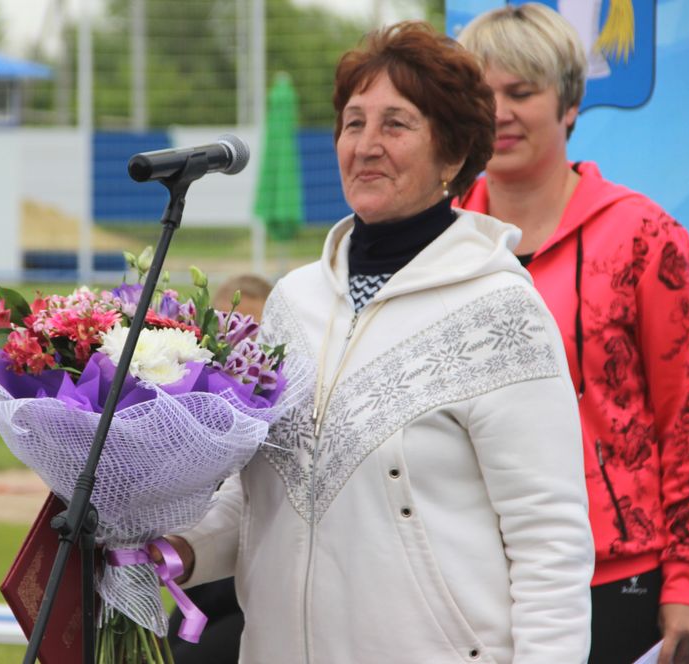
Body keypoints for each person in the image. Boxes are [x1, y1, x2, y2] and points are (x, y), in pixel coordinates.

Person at [157, 20, 594, 663]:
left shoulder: (501, 311)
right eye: (353, 122)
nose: (366, 145)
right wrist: (176, 548)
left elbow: (549, 540)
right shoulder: (291, 303)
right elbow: (261, 501)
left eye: (396, 124)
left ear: (453, 154)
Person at [455, 5, 689, 664]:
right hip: (468, 567)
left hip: (615, 575)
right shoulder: (441, 239)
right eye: (482, 96)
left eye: (521, 92)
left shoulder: (644, 236)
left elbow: (687, 420)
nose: (499, 112)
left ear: (571, 104)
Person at [167, 274, 273, 664]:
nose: (244, 348)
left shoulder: (281, 410)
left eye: (256, 334)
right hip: (196, 593)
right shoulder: (186, 404)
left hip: (256, 603)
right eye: (230, 334)